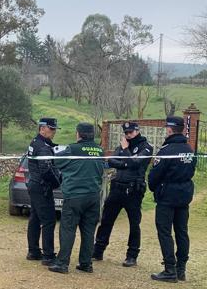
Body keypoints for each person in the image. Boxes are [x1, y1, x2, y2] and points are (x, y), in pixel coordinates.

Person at [93, 122, 153, 267]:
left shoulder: (146, 147)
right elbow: (113, 160)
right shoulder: (122, 145)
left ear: (137, 131)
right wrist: (126, 162)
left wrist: (126, 153)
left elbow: (136, 164)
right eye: (126, 133)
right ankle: (98, 250)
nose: (128, 135)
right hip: (117, 188)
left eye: (130, 132)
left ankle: (132, 255)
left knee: (134, 224)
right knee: (106, 220)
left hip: (133, 190)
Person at [48, 123, 105, 274]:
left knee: (67, 229)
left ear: (78, 134)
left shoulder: (73, 149)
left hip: (74, 196)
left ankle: (62, 263)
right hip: (93, 197)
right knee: (88, 231)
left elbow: (56, 161)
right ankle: (86, 264)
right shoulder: (100, 150)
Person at [149, 116, 196, 283]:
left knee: (165, 232)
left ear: (169, 129)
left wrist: (154, 187)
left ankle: (170, 269)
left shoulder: (166, 150)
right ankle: (181, 269)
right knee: (182, 232)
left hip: (167, 196)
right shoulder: (188, 149)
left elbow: (154, 176)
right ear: (182, 129)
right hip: (184, 195)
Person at [26, 117, 61, 266]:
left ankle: (33, 251)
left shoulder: (36, 142)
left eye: (54, 129)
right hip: (41, 186)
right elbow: (46, 169)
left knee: (35, 218)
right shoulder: (43, 147)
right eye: (51, 129)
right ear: (42, 128)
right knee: (48, 220)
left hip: (34, 184)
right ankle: (48, 255)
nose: (53, 132)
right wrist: (57, 182)